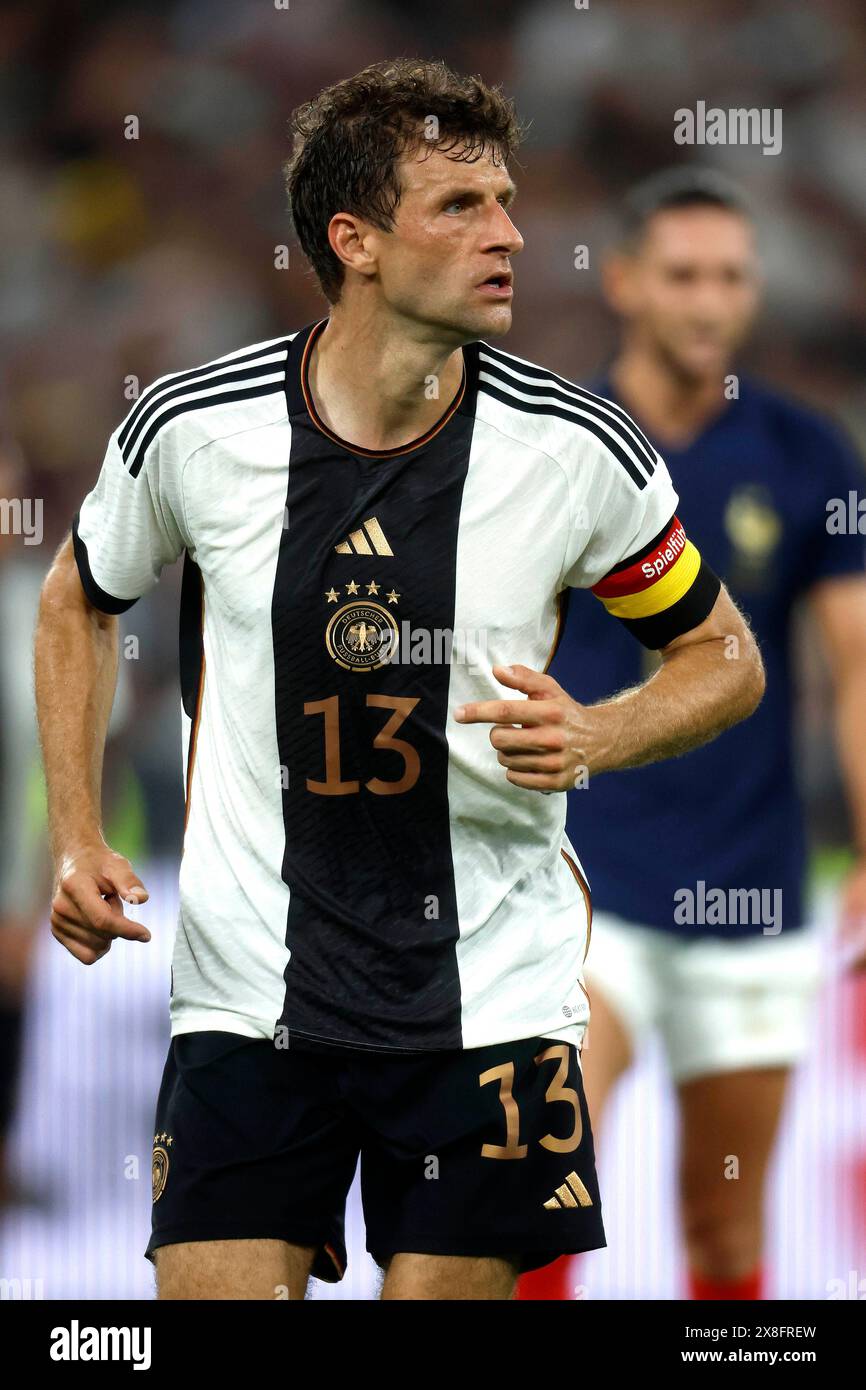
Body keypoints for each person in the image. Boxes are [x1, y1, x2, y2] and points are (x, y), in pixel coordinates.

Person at [34, 64, 764, 1302]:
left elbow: (721, 657)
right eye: (462, 205)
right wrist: (76, 836)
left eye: (507, 200)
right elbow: (78, 598)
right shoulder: (194, 433)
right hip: (247, 987)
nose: (509, 233)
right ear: (353, 241)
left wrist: (597, 730)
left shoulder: (578, 453)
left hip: (489, 994)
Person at [518, 168, 866, 1301]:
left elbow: (854, 665)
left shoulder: (808, 455)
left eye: (728, 276)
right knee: (537, 1190)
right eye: (681, 274)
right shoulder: (548, 447)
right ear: (621, 281)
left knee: (721, 1229)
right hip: (577, 883)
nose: (706, 300)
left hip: (751, 892)